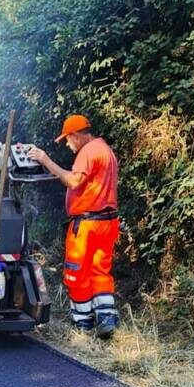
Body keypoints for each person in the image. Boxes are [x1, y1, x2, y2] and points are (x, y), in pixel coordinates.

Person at [27, 115, 121, 339]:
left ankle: (83, 324)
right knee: (100, 270)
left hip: (87, 224)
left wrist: (45, 160)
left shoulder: (87, 152)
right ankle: (106, 318)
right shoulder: (106, 150)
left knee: (75, 273)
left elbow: (74, 181)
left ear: (76, 135)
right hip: (108, 222)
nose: (68, 145)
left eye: (67, 140)